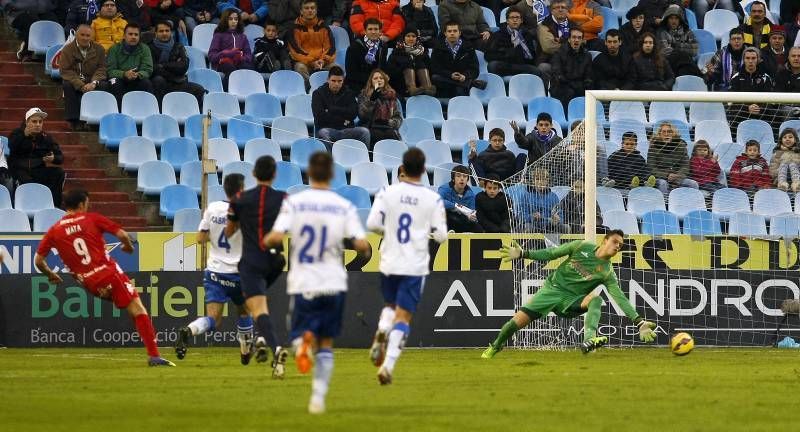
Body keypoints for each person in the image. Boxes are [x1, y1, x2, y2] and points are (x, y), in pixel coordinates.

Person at [264, 151, 371, 414]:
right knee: (326, 343)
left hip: (304, 280)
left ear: (309, 173)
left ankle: (301, 345)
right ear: (332, 175)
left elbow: (276, 237)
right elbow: (361, 245)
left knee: (298, 332)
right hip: (333, 281)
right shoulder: (343, 206)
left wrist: (268, 242)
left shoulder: (295, 203)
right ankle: (318, 399)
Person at [33, 189, 175, 367]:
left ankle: (152, 352)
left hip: (89, 283)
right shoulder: (91, 218)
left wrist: (51, 275)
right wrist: (128, 247)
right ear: (81, 204)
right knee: (139, 309)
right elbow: (122, 235)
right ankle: (154, 356)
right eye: (87, 204)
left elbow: (38, 261)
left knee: (133, 309)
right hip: (108, 273)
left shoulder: (54, 230)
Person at [481, 229, 657, 358]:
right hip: (550, 291)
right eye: (615, 242)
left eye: (620, 245)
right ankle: (495, 346)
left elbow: (620, 298)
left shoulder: (607, 272)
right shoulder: (580, 246)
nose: (618, 246)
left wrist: (639, 322)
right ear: (604, 240)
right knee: (514, 324)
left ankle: (589, 340)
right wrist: (523, 253)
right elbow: (551, 253)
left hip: (570, 301)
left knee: (596, 299)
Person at [365, 148, 448, 385]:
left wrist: (388, 231)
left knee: (390, 306)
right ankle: (387, 367)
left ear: (403, 167)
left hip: (389, 260)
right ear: (423, 170)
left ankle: (382, 328)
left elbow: (372, 223)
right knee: (404, 315)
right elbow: (442, 236)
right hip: (414, 264)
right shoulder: (432, 199)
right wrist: (427, 232)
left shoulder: (387, 192)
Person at [175, 174, 257, 365]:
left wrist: (216, 232)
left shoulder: (213, 208)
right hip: (239, 274)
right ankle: (245, 353)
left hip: (215, 273)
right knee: (244, 311)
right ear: (242, 190)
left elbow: (200, 239)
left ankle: (189, 330)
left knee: (213, 319)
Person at [225, 155, 289, 379]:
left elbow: (229, 232)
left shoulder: (240, 199)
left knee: (257, 307)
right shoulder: (284, 198)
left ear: (253, 174)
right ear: (274, 175)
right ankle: (262, 340)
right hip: (276, 260)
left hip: (252, 261)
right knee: (258, 302)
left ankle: (277, 349)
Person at [8, 108, 66, 208]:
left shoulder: (46, 137)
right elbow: (11, 148)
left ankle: (53, 206)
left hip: (38, 169)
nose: (38, 124)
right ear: (27, 122)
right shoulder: (17, 133)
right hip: (19, 169)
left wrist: (53, 158)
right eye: (34, 121)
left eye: (40, 122)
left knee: (58, 173)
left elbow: (60, 157)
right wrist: (24, 135)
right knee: (26, 180)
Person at [60, 24, 111, 131]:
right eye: (82, 35)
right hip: (76, 79)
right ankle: (74, 120)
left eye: (88, 35)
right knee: (67, 84)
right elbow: (65, 70)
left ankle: (95, 120)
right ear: (76, 35)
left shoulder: (99, 49)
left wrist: (93, 83)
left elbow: (102, 68)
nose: (85, 38)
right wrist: (80, 85)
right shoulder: (67, 49)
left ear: (92, 36)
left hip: (92, 79)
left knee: (104, 85)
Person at [148, 20, 206, 105]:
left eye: (167, 31)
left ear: (171, 33)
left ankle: (198, 116)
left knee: (199, 89)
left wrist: (163, 65)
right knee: (158, 79)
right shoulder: (149, 47)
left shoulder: (178, 46)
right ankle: (160, 112)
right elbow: (153, 69)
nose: (164, 33)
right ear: (156, 33)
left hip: (177, 83)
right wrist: (174, 66)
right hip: (160, 84)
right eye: (161, 31)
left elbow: (183, 66)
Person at [312, 66, 371, 148]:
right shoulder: (318, 94)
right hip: (327, 129)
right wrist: (344, 120)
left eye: (339, 81)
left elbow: (353, 113)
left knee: (364, 132)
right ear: (328, 80)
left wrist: (331, 109)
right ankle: (330, 160)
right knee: (323, 133)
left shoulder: (349, 93)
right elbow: (319, 116)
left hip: (346, 130)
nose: (336, 84)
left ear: (343, 81)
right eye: (333, 81)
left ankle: (363, 158)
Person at [485, 7, 543, 79]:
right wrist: (505, 54)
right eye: (512, 17)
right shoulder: (497, 35)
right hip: (505, 65)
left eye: (517, 17)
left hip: (522, 66)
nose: (515, 20)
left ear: (521, 20)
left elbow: (532, 56)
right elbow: (488, 55)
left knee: (536, 71)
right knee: (492, 66)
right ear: (507, 20)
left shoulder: (527, 35)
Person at [106, 23, 155, 105]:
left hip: (137, 78)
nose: (133, 37)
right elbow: (110, 71)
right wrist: (124, 74)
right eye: (130, 34)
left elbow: (148, 69)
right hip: (120, 78)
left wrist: (137, 75)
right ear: (124, 36)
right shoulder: (114, 49)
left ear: (139, 37)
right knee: (114, 83)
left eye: (136, 35)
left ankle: (147, 111)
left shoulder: (145, 48)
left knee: (146, 83)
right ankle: (118, 112)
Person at [287, 0, 336, 81]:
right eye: (306, 8)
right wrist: (312, 62)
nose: (310, 10)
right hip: (305, 63)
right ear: (301, 11)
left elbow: (331, 49)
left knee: (336, 68)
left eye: (312, 8)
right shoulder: (293, 29)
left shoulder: (324, 27)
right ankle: (309, 90)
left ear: (316, 11)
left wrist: (323, 60)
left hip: (322, 62)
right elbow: (296, 52)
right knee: (300, 67)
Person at [647, 121, 697, 193]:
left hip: (678, 177)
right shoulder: (653, 147)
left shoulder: (681, 145)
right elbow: (651, 168)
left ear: (673, 133)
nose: (666, 134)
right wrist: (667, 175)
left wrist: (677, 176)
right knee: (663, 183)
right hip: (660, 177)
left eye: (669, 131)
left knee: (693, 184)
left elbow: (685, 165)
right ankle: (665, 203)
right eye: (664, 132)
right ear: (659, 134)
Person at [357, 69, 403, 147]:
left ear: (385, 81)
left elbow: (398, 117)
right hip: (371, 126)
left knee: (390, 134)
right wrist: (372, 100)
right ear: (371, 81)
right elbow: (363, 116)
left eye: (381, 78)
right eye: (375, 78)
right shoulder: (364, 95)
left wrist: (391, 122)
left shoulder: (392, 96)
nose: (379, 80)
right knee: (377, 134)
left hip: (388, 127)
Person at [387, 25, 436, 97]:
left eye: (413, 36)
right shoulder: (396, 53)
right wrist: (407, 65)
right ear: (403, 37)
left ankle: (427, 88)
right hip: (401, 84)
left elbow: (430, 68)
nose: (411, 38)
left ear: (417, 38)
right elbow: (391, 71)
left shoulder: (423, 52)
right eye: (408, 36)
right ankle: (412, 89)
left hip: (421, 87)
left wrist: (417, 63)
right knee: (408, 64)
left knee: (421, 64)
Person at [550, 27, 593, 109]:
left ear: (582, 40)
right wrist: (574, 86)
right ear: (569, 39)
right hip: (561, 87)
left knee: (590, 91)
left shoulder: (587, 55)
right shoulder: (559, 53)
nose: (576, 40)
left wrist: (586, 85)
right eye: (574, 37)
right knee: (569, 92)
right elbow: (558, 75)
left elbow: (588, 76)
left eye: (579, 38)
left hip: (579, 86)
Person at [513, 168, 566, 233]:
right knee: (528, 227)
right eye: (537, 179)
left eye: (543, 179)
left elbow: (560, 215)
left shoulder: (554, 197)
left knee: (565, 227)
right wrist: (532, 216)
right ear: (533, 181)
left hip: (550, 225)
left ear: (547, 181)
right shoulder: (525, 195)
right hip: (532, 225)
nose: (540, 182)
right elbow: (520, 216)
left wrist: (558, 219)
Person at [345, 18, 391, 92]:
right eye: (370, 29)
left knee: (393, 97)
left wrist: (384, 76)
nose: (373, 32)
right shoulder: (354, 47)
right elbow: (351, 73)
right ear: (365, 31)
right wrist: (371, 80)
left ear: (380, 32)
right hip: (357, 85)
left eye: (376, 29)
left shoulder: (383, 46)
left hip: (376, 83)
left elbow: (383, 67)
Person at [656, 4, 700, 77]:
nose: (674, 21)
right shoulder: (661, 32)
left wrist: (676, 45)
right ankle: (700, 76)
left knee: (683, 70)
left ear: (680, 19)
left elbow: (695, 50)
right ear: (667, 19)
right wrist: (685, 48)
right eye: (671, 18)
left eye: (676, 18)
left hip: (685, 65)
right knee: (682, 56)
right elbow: (666, 53)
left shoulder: (688, 31)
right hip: (669, 66)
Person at [438, 164, 483, 233]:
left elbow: (472, 211)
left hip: (462, 221)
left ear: (467, 179)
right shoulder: (444, 189)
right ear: (453, 179)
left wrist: (472, 216)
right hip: (447, 220)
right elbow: (439, 201)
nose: (462, 179)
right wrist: (456, 206)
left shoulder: (471, 195)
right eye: (458, 176)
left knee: (478, 228)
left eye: (465, 176)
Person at [208, 9, 253, 77]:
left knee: (247, 68)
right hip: (223, 63)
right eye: (230, 19)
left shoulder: (243, 36)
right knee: (231, 69)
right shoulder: (219, 35)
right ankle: (229, 87)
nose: (234, 21)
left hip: (239, 62)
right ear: (225, 20)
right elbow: (211, 56)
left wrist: (241, 58)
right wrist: (224, 53)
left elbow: (249, 55)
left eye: (236, 19)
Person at [536, 0, 575, 70]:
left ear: (567, 10)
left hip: (570, 60)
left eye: (563, 7)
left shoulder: (573, 25)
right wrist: (570, 43)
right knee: (543, 67)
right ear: (551, 11)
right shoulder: (544, 25)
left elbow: (582, 41)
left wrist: (561, 41)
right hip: (548, 60)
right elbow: (548, 47)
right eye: (557, 7)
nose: (560, 10)